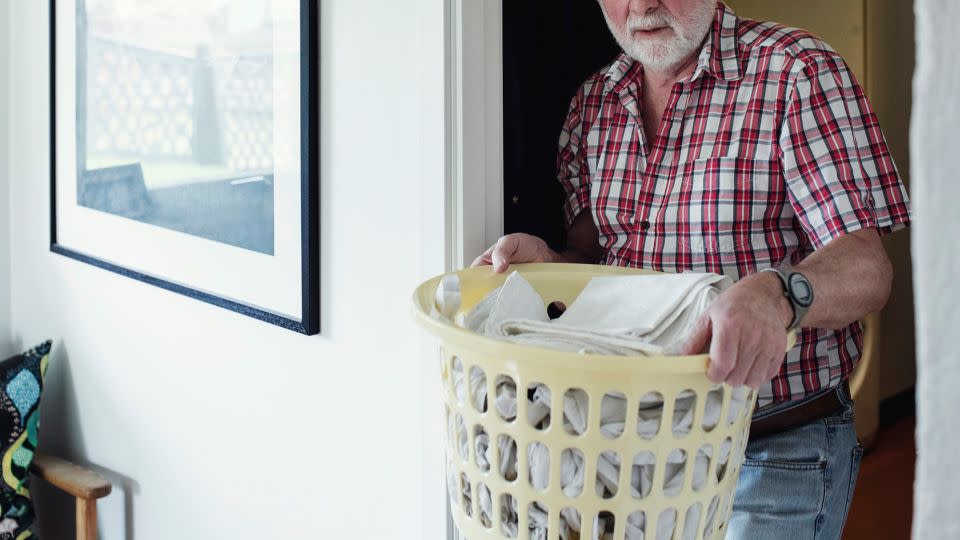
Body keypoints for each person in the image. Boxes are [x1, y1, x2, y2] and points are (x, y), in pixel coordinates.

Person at [472, 1, 911, 537]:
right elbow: (595, 261)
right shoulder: (594, 102)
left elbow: (867, 266)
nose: (642, 4)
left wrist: (776, 294)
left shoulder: (797, 72)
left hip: (771, 445)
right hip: (626, 445)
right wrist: (549, 266)